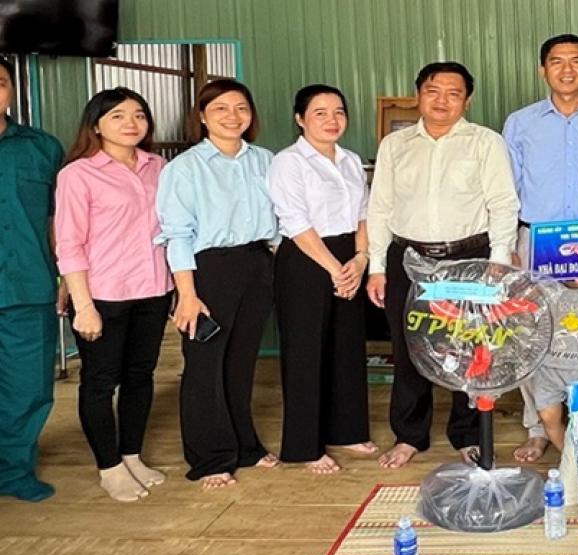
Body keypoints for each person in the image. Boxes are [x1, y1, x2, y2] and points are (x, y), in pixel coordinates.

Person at [366, 62, 520, 470]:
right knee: (408, 348)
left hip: (467, 258)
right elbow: (379, 208)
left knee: (469, 347)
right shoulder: (395, 145)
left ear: (466, 101)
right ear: (418, 95)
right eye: (433, 91)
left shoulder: (485, 142)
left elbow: (503, 204)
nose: (442, 101)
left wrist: (498, 262)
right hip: (407, 258)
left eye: (454, 93)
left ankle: (467, 434)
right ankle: (409, 435)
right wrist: (377, 267)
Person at [502, 34, 578, 462]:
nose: (567, 69)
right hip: (534, 238)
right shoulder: (520, 123)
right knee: (529, 331)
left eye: (576, 61)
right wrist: (509, 245)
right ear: (543, 70)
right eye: (557, 61)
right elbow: (508, 187)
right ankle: (538, 427)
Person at [156, 80, 281, 488]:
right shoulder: (185, 168)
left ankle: (244, 445)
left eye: (241, 108)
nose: (232, 116)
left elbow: (282, 218)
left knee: (241, 363)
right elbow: (177, 234)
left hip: (257, 263)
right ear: (202, 116)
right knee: (205, 365)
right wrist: (187, 296)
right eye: (221, 108)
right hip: (208, 270)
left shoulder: (265, 160)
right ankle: (209, 458)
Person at [54, 89, 173, 502]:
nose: (131, 123)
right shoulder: (78, 174)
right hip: (102, 295)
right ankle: (109, 467)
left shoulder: (159, 167)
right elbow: (69, 243)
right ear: (96, 125)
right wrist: (83, 306)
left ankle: (131, 456)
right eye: (118, 115)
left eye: (139, 115)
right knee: (100, 382)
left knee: (141, 376)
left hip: (154, 289)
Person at [268, 85, 376, 475]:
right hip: (306, 258)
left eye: (338, 112)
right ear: (300, 119)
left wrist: (360, 259)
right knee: (306, 351)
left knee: (346, 347)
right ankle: (305, 446)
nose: (332, 120)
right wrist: (336, 269)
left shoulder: (350, 160)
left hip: (349, 255)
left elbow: (365, 213)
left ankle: (347, 430)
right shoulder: (288, 162)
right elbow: (295, 222)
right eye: (320, 113)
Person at [0, 57, 64, 502]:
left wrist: (67, 276)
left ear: (11, 90)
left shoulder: (42, 148)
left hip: (28, 286)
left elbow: (60, 220)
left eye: (0, 83)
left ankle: (14, 472)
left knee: (27, 388)